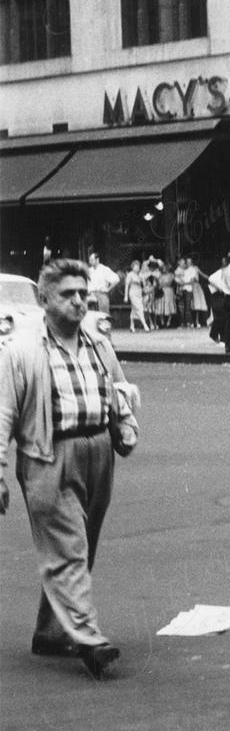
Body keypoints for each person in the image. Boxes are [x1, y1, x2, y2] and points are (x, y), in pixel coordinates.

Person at [0, 259, 140, 679]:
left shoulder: (97, 343)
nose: (80, 301)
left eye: (84, 294)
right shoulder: (21, 350)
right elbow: (2, 412)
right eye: (68, 294)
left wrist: (126, 426)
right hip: (47, 456)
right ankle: (89, 639)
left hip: (97, 451)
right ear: (44, 300)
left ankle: (50, 632)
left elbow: (118, 388)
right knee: (70, 548)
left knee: (81, 547)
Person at [123, 258, 150, 333]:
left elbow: (144, 285)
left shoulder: (139, 275)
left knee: (134, 310)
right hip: (133, 293)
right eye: (135, 266)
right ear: (132, 267)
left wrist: (143, 279)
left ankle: (132, 326)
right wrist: (126, 296)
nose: (137, 268)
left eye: (138, 266)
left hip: (139, 293)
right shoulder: (130, 275)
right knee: (139, 308)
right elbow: (127, 285)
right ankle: (145, 326)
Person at [183, 255, 209, 328]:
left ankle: (197, 321)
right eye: (187, 262)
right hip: (190, 287)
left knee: (197, 304)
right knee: (190, 305)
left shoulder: (195, 268)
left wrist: (210, 278)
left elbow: (202, 275)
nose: (188, 263)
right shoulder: (184, 270)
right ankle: (191, 321)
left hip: (196, 286)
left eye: (190, 262)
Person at [207, 257, 227, 344]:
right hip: (217, 296)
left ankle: (221, 336)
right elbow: (210, 279)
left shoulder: (227, 273)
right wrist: (219, 288)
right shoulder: (217, 274)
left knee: (223, 317)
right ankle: (216, 335)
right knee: (220, 317)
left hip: (224, 295)